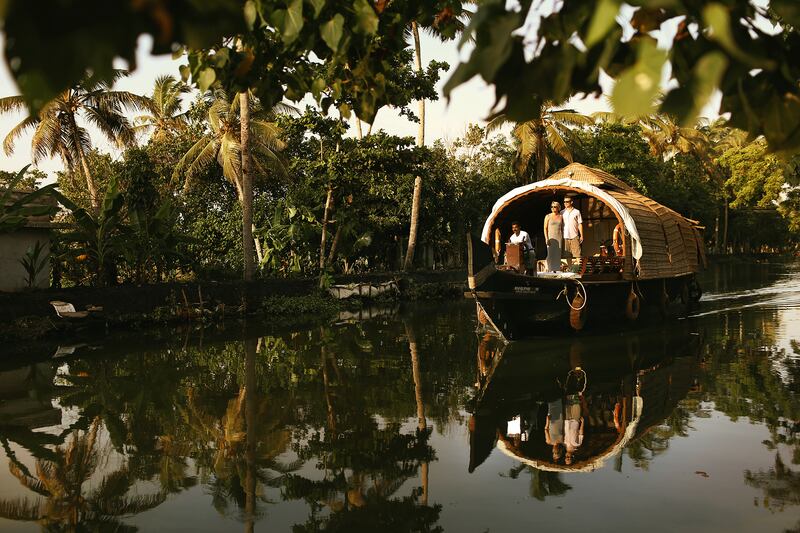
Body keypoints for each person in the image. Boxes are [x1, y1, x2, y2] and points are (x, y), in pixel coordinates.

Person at [561, 196, 583, 265]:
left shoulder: (577, 212)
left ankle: (580, 271)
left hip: (574, 235)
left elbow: (580, 224)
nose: (565, 203)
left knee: (577, 254)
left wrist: (582, 235)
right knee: (567, 255)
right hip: (565, 236)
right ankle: (570, 270)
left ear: (571, 202)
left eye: (567, 202)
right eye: (564, 202)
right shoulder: (562, 212)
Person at [543, 201, 564, 271]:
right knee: (550, 254)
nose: (553, 208)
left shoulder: (561, 216)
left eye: (554, 207)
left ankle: (557, 269)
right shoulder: (548, 216)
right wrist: (546, 238)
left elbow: (562, 228)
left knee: (557, 254)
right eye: (551, 207)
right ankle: (549, 269)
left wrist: (563, 236)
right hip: (551, 237)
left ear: (558, 208)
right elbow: (545, 228)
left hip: (559, 237)